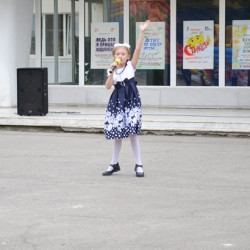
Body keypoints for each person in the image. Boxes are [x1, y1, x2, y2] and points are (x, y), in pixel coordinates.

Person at [102, 20, 151, 177]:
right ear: (114, 56)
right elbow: (108, 86)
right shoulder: (112, 69)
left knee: (132, 133)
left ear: (127, 56)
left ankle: (139, 164)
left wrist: (142, 31)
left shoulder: (131, 66)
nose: (120, 56)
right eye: (118, 54)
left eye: (123, 54)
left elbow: (138, 49)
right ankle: (113, 164)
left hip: (131, 100)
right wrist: (111, 72)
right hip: (117, 101)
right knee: (118, 133)